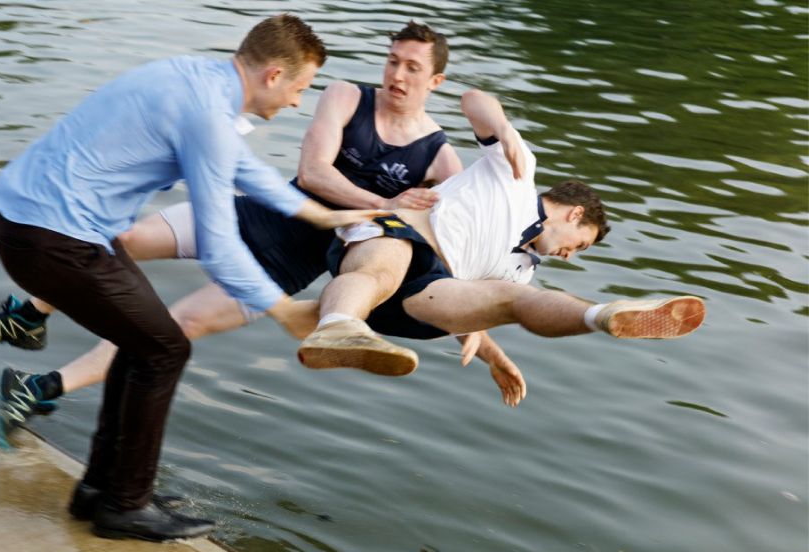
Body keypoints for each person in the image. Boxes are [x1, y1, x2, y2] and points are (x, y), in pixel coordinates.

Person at [0, 14, 387, 543]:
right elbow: (219, 244)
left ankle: (102, 490)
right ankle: (124, 504)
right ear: (274, 75)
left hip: (38, 226)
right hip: (53, 239)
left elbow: (242, 166)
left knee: (144, 341)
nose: (295, 103)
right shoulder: (209, 116)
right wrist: (283, 310)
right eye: (299, 89)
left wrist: (317, 214)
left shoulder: (198, 78)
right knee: (163, 350)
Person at [0, 22, 489, 415]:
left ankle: (38, 389)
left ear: (435, 81)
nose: (397, 73)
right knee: (120, 239)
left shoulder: (441, 160)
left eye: (412, 67)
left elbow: (447, 248)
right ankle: (26, 313)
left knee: (170, 329)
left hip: (286, 267)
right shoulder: (349, 97)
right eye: (393, 60)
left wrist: (476, 324)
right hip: (256, 213)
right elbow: (314, 172)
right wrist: (385, 205)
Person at [296, 88, 706, 392]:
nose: (568, 256)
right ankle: (338, 325)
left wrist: (495, 357)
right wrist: (505, 130)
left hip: (422, 302)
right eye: (578, 244)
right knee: (382, 270)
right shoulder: (517, 172)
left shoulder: (521, 270)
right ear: (575, 213)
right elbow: (473, 100)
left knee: (514, 300)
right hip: (398, 238)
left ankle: (602, 316)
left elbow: (470, 310)